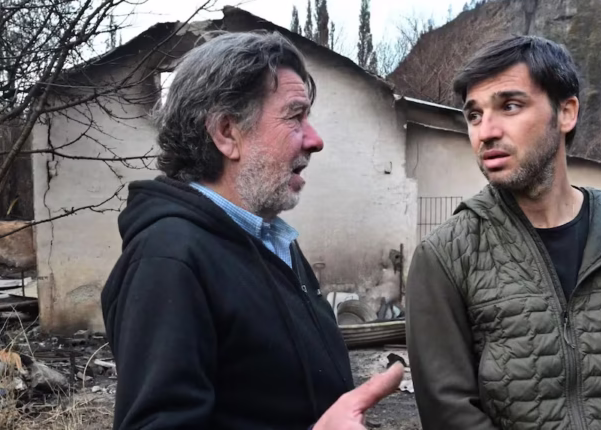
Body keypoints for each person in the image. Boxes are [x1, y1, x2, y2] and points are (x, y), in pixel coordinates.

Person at [101, 31, 403, 430]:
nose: (315, 140)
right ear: (227, 133)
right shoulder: (168, 259)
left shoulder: (273, 241)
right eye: (295, 116)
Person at [405, 35, 601, 430]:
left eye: (510, 106)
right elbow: (448, 410)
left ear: (566, 113)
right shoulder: (445, 257)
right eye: (474, 115)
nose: (486, 131)